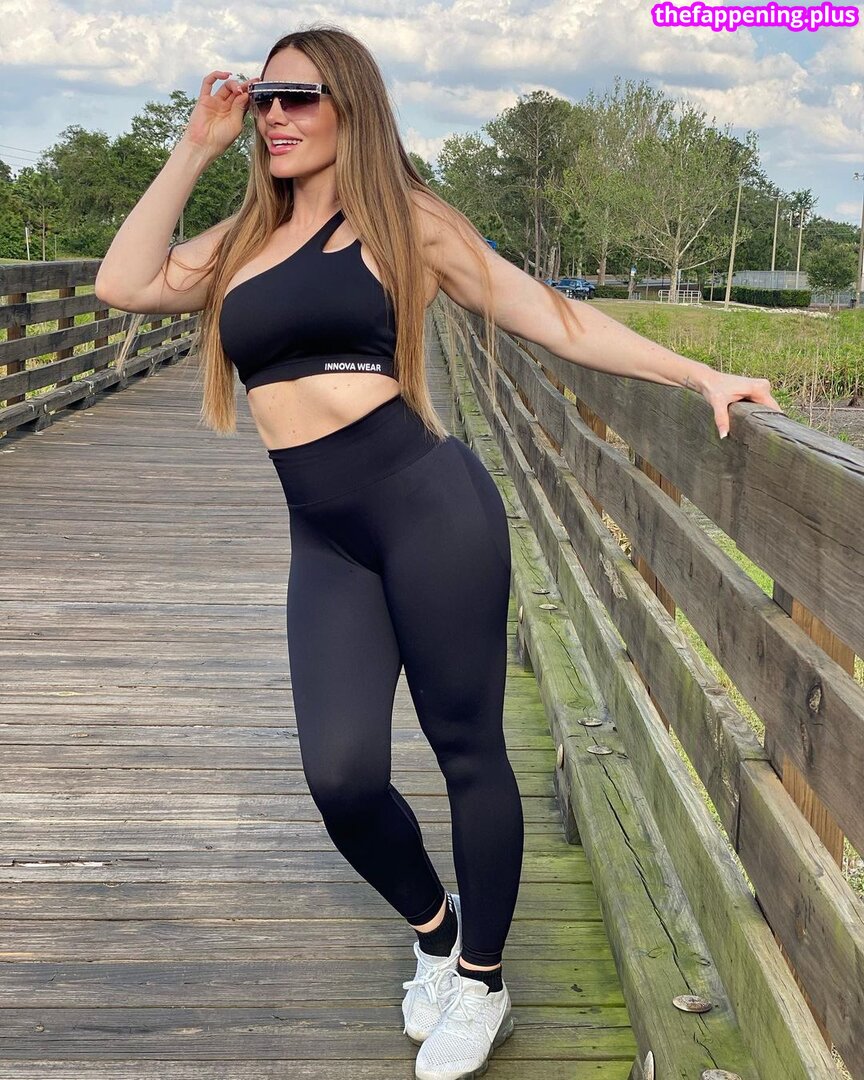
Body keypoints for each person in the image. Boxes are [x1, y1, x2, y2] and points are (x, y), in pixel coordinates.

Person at [94, 24, 783, 1080]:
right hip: (325, 538)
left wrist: (697, 375)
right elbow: (124, 281)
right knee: (340, 776)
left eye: (299, 97)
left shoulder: (406, 221)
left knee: (468, 751)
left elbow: (549, 315)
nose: (275, 116)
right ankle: (435, 928)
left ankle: (482, 980)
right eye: (264, 97)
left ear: (352, 106)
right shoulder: (244, 237)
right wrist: (194, 146)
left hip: (429, 510)